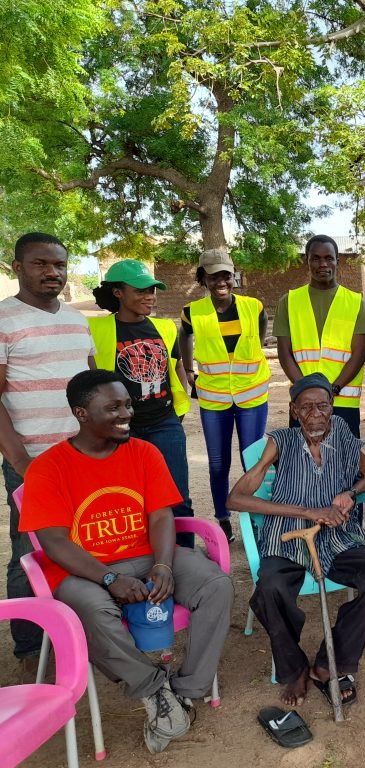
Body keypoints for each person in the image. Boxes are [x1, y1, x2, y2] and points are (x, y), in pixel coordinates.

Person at [19, 369, 233, 753]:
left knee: (215, 585)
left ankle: (184, 691)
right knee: (94, 612)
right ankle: (154, 689)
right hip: (84, 568)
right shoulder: (49, 467)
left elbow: (161, 516)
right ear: (81, 413)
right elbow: (53, 542)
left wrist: (165, 565)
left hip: (147, 555)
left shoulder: (144, 452)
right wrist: (107, 579)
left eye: (128, 405)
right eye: (113, 407)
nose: (127, 414)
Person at [228, 373, 365, 707]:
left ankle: (327, 663)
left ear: (332, 407)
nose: (315, 413)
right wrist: (307, 512)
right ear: (294, 410)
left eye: (322, 405)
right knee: (271, 589)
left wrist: (349, 493)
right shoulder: (280, 441)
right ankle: (294, 669)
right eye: (306, 407)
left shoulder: (345, 435)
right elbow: (236, 499)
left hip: (337, 538)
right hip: (287, 537)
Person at [0, 232, 95, 667]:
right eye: (41, 264)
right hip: (33, 460)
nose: (53, 272)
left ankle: (79, 628)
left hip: (82, 457)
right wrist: (20, 460)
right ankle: (30, 646)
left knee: (84, 541)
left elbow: (93, 387)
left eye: (59, 264)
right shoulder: (4, 319)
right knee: (30, 551)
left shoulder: (77, 320)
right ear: (17, 266)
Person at [90, 259, 194, 547]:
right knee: (129, 499)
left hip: (164, 422)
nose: (149, 296)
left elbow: (177, 367)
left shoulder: (165, 327)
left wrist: (176, 408)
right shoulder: (95, 330)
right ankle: (141, 556)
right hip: (121, 429)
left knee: (178, 496)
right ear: (118, 293)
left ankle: (185, 555)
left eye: (152, 290)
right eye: (140, 290)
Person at [179, 248, 270, 544]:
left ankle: (256, 519)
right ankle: (222, 518)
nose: (221, 281)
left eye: (226, 275)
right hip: (214, 398)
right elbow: (184, 339)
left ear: (234, 276)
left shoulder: (253, 306)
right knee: (218, 464)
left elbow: (259, 335)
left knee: (252, 461)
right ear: (203, 278)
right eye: (214, 275)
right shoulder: (192, 312)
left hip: (252, 396)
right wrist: (190, 371)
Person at [274, 235, 365, 438]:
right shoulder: (289, 301)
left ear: (337, 260)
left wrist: (333, 390)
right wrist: (306, 392)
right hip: (303, 402)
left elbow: (359, 354)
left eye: (329, 258)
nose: (323, 264)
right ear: (307, 261)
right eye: (316, 258)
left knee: (345, 464)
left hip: (343, 400)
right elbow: (285, 354)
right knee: (303, 463)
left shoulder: (355, 302)